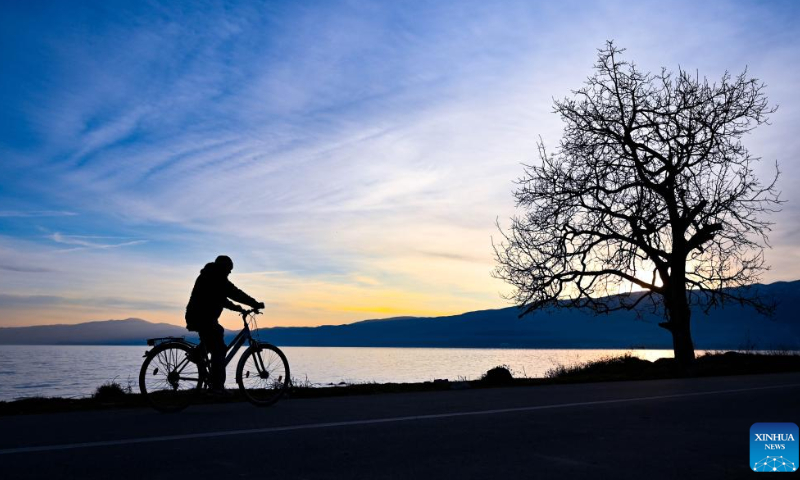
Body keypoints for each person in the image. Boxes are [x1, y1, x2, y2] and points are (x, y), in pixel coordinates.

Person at [185, 255, 264, 394]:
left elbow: (222, 298)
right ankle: (218, 387)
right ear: (223, 268)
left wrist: (237, 308)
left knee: (216, 334)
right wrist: (254, 304)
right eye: (229, 269)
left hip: (200, 317)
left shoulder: (211, 276)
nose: (230, 273)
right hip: (202, 318)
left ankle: (197, 354)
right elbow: (234, 293)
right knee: (219, 349)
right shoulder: (216, 279)